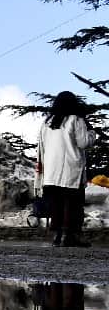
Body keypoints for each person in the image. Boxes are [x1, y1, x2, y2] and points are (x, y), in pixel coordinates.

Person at [37, 91, 95, 248]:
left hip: (51, 172)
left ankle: (57, 236)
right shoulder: (76, 120)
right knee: (73, 204)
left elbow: (41, 146)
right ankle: (69, 236)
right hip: (71, 170)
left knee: (56, 204)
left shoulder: (47, 122)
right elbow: (84, 143)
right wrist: (91, 133)